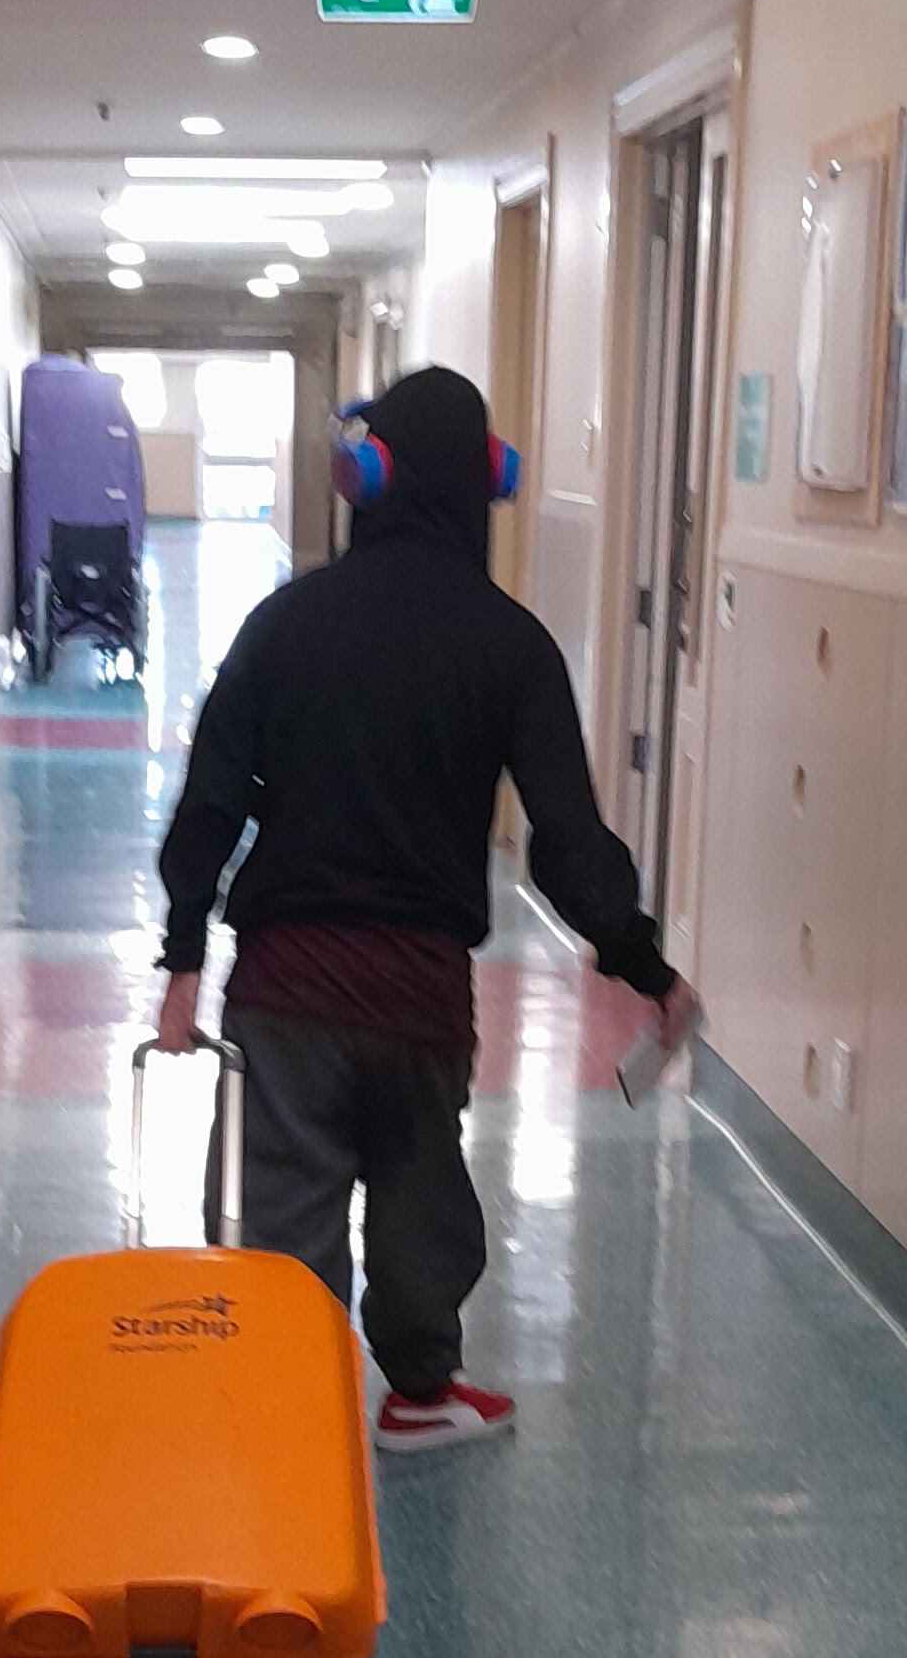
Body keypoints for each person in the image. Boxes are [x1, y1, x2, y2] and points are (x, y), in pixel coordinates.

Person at [153, 364, 700, 1456]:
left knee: (278, 1205)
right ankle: (420, 1393)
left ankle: (288, 1424)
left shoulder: (284, 623)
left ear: (369, 476)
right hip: (421, 997)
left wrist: (181, 963)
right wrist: (646, 968)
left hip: (288, 990)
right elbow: (568, 847)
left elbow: (210, 799)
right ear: (485, 484)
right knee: (419, 1194)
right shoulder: (512, 644)